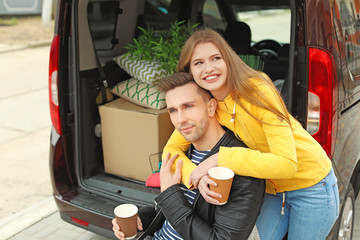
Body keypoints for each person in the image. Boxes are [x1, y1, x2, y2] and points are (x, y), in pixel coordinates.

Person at [162, 29, 340, 240]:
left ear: (228, 60)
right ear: (189, 71)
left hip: (311, 185)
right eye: (198, 63)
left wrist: (221, 158)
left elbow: (287, 164)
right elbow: (171, 150)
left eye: (215, 58)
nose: (208, 68)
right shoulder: (207, 103)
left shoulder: (257, 90)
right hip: (272, 189)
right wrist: (195, 177)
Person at [112, 72, 265, 240]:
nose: (180, 119)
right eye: (173, 110)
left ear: (211, 107)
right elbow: (168, 211)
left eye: (188, 106)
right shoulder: (183, 152)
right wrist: (140, 218)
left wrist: (169, 193)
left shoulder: (240, 165)